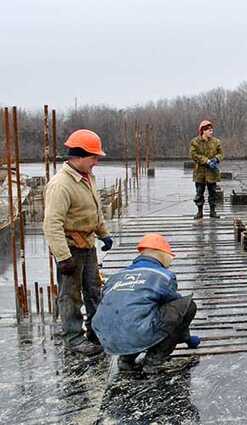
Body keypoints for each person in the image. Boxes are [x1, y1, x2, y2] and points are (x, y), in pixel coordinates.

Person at [43, 129, 113, 355]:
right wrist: (63, 258)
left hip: (88, 244)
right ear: (79, 156)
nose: (96, 163)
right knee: (70, 296)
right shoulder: (60, 185)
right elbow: (52, 225)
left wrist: (104, 234)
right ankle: (73, 338)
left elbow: (94, 210)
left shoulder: (87, 178)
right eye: (94, 158)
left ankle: (96, 332)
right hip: (70, 248)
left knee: (93, 290)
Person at [92, 233, 201, 374]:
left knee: (132, 312)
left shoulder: (116, 276)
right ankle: (154, 362)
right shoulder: (163, 276)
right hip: (136, 332)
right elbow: (180, 310)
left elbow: (112, 304)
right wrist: (188, 340)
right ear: (160, 254)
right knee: (188, 305)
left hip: (106, 338)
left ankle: (126, 359)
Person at [190, 120, 224, 219]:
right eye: (209, 130)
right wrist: (206, 161)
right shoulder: (195, 142)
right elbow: (193, 155)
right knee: (199, 193)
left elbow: (221, 153)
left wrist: (216, 159)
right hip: (200, 172)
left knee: (213, 192)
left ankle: (213, 211)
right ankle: (199, 212)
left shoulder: (216, 142)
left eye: (211, 130)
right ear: (203, 131)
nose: (211, 132)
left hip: (212, 172)